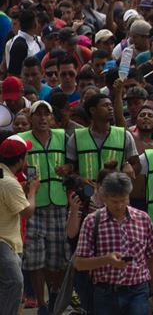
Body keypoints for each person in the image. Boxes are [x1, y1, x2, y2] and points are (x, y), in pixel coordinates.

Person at [73, 172, 153, 315]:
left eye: (124, 200)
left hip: (138, 292)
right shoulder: (92, 222)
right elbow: (79, 263)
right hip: (105, 294)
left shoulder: (143, 219)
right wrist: (107, 260)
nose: (120, 205)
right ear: (104, 198)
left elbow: (152, 258)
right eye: (114, 201)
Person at [17, 101, 67, 315]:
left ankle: (55, 294)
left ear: (52, 118)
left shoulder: (63, 137)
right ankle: (42, 303)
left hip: (58, 202)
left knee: (56, 258)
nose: (43, 118)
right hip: (33, 204)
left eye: (47, 114)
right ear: (31, 117)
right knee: (35, 258)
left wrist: (68, 168)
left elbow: (72, 163)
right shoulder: (21, 141)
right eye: (38, 114)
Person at [0, 135, 39, 315]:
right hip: (4, 241)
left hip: (7, 240)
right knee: (15, 283)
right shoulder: (8, 182)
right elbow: (27, 212)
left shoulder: (6, 178)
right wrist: (32, 191)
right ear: (21, 159)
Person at [67, 93, 138, 181]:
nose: (110, 108)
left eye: (111, 105)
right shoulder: (76, 137)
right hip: (87, 191)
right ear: (93, 110)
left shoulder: (124, 135)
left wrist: (127, 166)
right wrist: (79, 179)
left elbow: (136, 164)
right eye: (105, 105)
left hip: (115, 190)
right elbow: (69, 168)